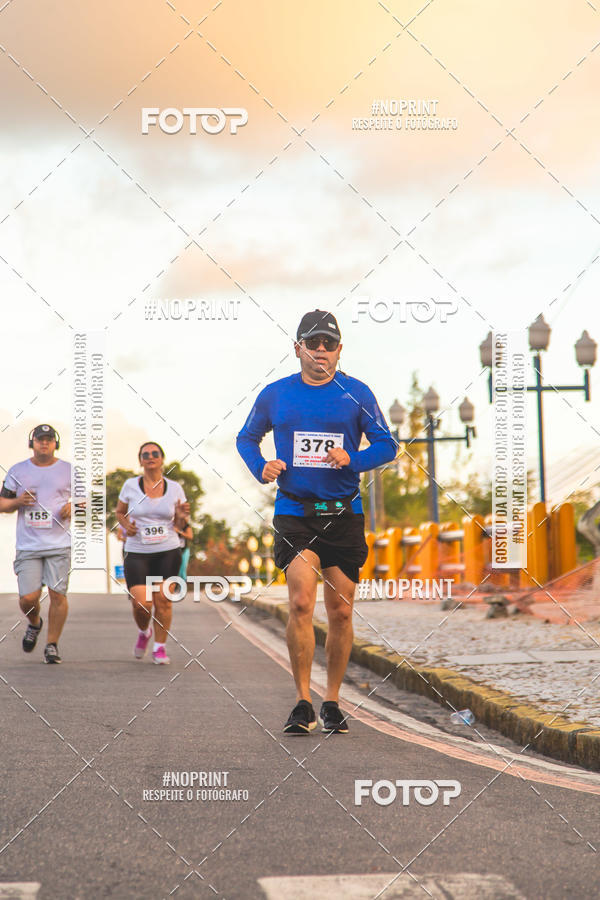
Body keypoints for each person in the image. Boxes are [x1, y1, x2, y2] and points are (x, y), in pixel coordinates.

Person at [237, 310, 397, 734]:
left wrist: (353, 459)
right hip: (295, 511)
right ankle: (302, 701)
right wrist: (261, 466)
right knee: (301, 602)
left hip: (343, 512)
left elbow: (387, 445)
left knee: (340, 612)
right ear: (298, 349)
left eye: (328, 343)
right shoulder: (275, 395)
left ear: (339, 350)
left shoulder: (356, 393)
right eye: (313, 343)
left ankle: (332, 701)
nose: (320, 350)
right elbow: (246, 437)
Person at [0, 424, 71, 664]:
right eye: (40, 439)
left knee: (58, 594)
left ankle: (52, 645)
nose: (44, 443)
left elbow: (86, 502)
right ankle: (34, 623)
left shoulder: (69, 470)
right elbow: (2, 504)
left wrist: (73, 506)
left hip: (59, 544)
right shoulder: (18, 470)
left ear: (56, 444)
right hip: (29, 546)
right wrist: (18, 502)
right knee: (28, 599)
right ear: (32, 443)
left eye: (49, 439)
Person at [115, 442, 189, 665]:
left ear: (162, 459)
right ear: (140, 460)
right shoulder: (130, 485)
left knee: (163, 601)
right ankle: (144, 631)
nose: (150, 457)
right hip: (137, 551)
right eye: (145, 454)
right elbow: (120, 512)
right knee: (142, 604)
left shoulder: (175, 488)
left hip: (168, 550)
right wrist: (126, 526)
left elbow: (180, 523)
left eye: (155, 453)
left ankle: (160, 647)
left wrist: (180, 517)